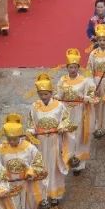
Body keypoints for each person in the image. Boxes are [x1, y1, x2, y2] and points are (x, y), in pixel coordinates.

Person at [0, 114, 47, 209]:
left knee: (28, 204)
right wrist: (2, 177)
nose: (11, 142)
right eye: (9, 139)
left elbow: (38, 163)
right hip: (10, 183)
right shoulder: (1, 148)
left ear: (20, 136)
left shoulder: (29, 148)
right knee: (13, 206)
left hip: (26, 182)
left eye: (14, 139)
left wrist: (31, 172)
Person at [28, 72, 72, 201]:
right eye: (41, 94)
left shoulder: (59, 106)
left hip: (54, 140)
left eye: (46, 94)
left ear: (51, 93)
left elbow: (66, 119)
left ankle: (55, 193)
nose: (43, 97)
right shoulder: (34, 106)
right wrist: (30, 131)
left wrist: (61, 127)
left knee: (54, 165)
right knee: (43, 165)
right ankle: (43, 193)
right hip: (41, 142)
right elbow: (32, 123)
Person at [56, 48, 96, 175]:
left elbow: (90, 96)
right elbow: (59, 94)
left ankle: (78, 162)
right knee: (68, 136)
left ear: (78, 67)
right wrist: (56, 98)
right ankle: (68, 157)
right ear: (67, 67)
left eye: (74, 67)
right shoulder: (62, 80)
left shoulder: (84, 81)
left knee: (78, 135)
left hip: (79, 111)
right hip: (66, 111)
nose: (72, 70)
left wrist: (86, 98)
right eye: (70, 67)